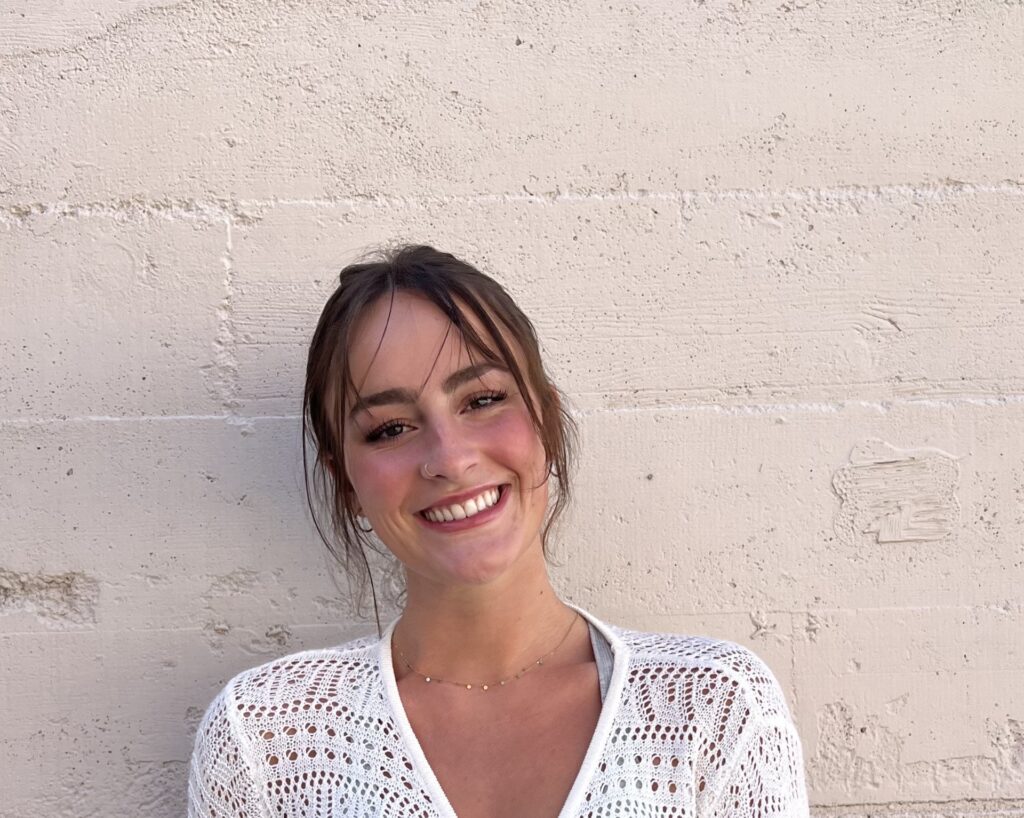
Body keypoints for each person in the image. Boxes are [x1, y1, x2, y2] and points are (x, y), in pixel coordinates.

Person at [187, 245, 810, 817]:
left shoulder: (713, 713)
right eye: (390, 429)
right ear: (346, 482)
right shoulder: (267, 740)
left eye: (482, 400)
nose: (450, 458)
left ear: (547, 418)